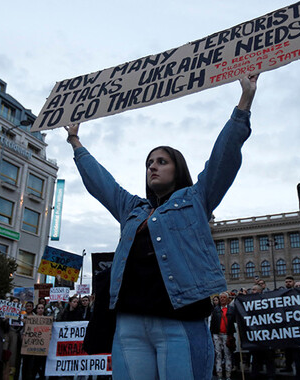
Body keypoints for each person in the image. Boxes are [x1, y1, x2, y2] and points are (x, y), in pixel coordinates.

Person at [64, 74, 258, 379]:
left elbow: (224, 158)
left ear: (177, 167)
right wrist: (76, 142)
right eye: (149, 162)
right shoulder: (132, 208)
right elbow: (103, 184)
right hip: (129, 325)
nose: (152, 165)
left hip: (178, 319)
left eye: (161, 161)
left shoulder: (195, 198)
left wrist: (244, 103)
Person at [210, 292, 235, 380]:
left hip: (227, 335)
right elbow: (212, 323)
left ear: (228, 299)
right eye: (221, 297)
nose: (222, 299)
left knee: (227, 355)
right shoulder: (215, 310)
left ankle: (228, 375)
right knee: (218, 355)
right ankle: (219, 375)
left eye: (224, 297)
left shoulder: (232, 310)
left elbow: (235, 322)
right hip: (217, 334)